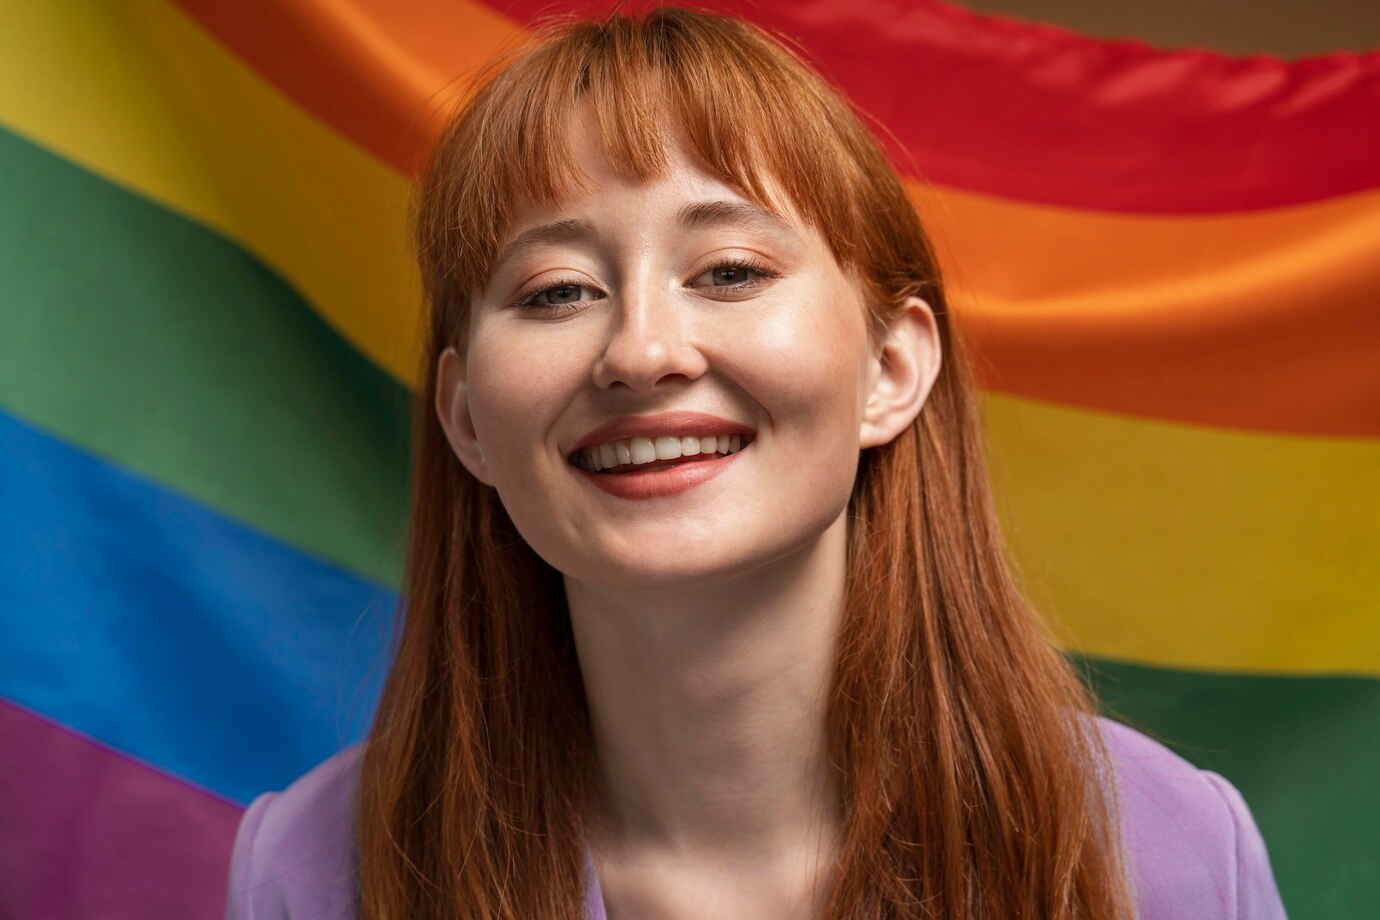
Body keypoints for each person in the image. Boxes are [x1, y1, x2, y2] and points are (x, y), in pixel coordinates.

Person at [225, 7, 1287, 919]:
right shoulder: (312, 873)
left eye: (728, 270)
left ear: (891, 367)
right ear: (465, 419)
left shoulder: (1169, 850)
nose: (642, 351)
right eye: (556, 290)